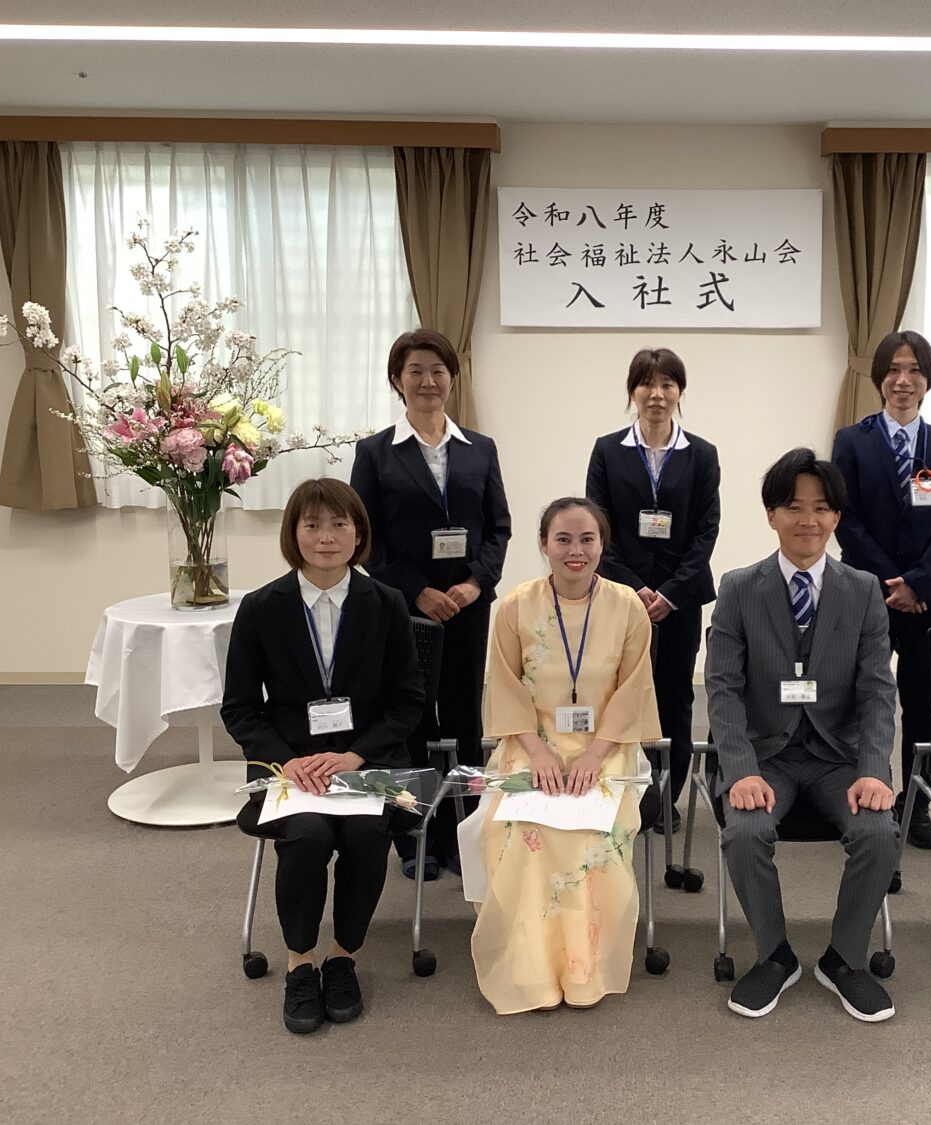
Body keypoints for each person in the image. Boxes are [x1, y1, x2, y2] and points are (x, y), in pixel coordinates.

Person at [222, 479, 427, 1035]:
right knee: (308, 836)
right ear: (293, 534)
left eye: (339, 524)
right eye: (311, 525)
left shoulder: (386, 603)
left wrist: (356, 755)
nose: (326, 537)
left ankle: (342, 957)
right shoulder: (261, 608)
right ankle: (300, 963)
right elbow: (240, 709)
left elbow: (407, 702)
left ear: (359, 533)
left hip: (367, 760)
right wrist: (284, 762)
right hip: (290, 766)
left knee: (365, 835)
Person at [705, 448, 901, 1023]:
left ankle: (845, 958)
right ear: (771, 515)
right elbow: (722, 689)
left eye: (820, 508)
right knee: (745, 831)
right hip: (766, 756)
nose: (807, 520)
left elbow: (877, 692)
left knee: (879, 832)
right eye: (793, 507)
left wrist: (874, 770)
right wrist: (740, 770)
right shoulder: (739, 587)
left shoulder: (863, 589)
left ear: (836, 517)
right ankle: (774, 955)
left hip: (841, 759)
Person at [470, 498, 661, 1014]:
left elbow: (633, 690)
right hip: (530, 742)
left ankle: (583, 966)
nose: (575, 550)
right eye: (563, 539)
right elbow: (505, 686)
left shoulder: (627, 606)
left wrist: (595, 755)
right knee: (521, 829)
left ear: (602, 545)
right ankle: (530, 966)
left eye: (587, 539)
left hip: (607, 746)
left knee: (589, 832)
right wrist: (537, 753)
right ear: (543, 545)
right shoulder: (516, 605)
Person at [350, 328, 511, 881]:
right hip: (405, 609)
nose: (427, 381)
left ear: (452, 378)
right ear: (397, 380)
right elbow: (365, 537)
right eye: (415, 371)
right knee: (411, 721)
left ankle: (466, 833)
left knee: (465, 720)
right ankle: (415, 836)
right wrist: (417, 589)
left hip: (466, 607)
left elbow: (498, 528)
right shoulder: (375, 452)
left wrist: (475, 584)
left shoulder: (480, 449)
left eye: (438, 370)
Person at [832, 330, 931, 851]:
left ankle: (916, 805)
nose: (903, 380)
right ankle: (865, 796)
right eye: (893, 369)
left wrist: (916, 582)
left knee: (921, 702)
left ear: (928, 379)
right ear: (879, 378)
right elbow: (845, 520)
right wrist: (892, 581)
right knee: (862, 696)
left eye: (914, 370)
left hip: (925, 597)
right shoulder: (852, 441)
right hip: (865, 592)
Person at [586, 347, 720, 832]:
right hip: (622, 598)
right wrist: (636, 588)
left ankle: (666, 798)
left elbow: (706, 530)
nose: (657, 394)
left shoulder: (702, 454)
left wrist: (670, 592)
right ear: (633, 391)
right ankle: (619, 791)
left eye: (667, 384)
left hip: (679, 601)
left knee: (674, 697)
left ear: (680, 392)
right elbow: (598, 528)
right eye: (647, 383)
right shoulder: (607, 450)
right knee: (617, 692)